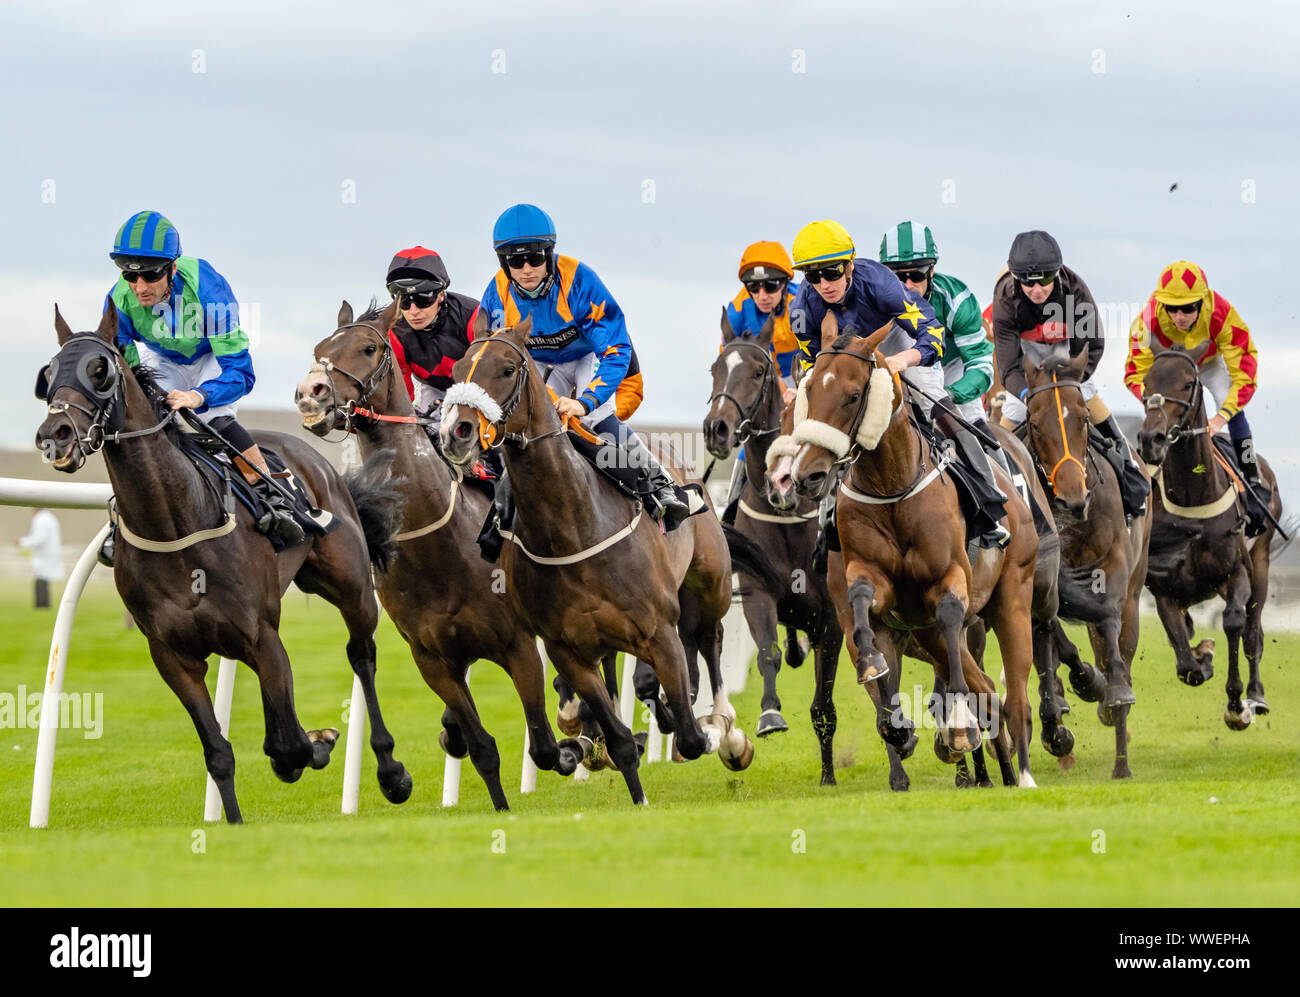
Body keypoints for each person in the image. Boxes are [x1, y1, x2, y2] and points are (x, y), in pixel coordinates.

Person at [790, 219, 1010, 548]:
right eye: (812, 276)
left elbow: (932, 335)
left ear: (849, 266)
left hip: (896, 339)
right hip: (846, 356)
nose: (824, 284)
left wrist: (900, 362)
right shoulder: (802, 306)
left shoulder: (881, 284)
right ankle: (827, 518)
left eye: (832, 272)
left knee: (932, 399)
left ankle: (989, 504)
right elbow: (810, 357)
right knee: (817, 409)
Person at [100, 210, 302, 566]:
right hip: (163, 361)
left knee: (211, 417)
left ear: (172, 269)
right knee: (146, 421)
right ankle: (123, 520)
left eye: (150, 274)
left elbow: (241, 374)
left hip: (212, 356)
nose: (140, 286)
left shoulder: (209, 289)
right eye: (130, 274)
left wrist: (200, 395)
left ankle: (275, 497)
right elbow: (130, 372)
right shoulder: (119, 301)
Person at [479, 203, 691, 527]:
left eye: (535, 257)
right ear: (503, 263)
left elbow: (617, 349)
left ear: (549, 253)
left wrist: (584, 401)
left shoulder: (580, 280)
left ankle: (659, 485)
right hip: (539, 361)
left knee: (593, 417)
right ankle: (502, 510)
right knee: (529, 417)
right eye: (515, 260)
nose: (526, 269)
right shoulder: (496, 294)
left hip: (588, 355)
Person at [991, 229, 1149, 518]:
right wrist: (1028, 395)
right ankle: (996, 492)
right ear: (1016, 279)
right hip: (1028, 361)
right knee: (1005, 431)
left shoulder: (1076, 291)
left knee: (1087, 399)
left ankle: (1129, 471)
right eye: (1027, 283)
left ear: (1058, 273)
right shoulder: (1004, 300)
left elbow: (1094, 346)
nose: (1037, 291)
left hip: (1067, 356)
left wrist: (1071, 382)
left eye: (1045, 282)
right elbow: (1008, 367)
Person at [1124, 260, 1269, 535]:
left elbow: (1244, 371)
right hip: (1169, 369)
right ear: (1160, 304)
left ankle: (1253, 480)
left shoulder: (1223, 313)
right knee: (1157, 413)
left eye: (1188, 308)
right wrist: (1154, 400)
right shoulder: (1146, 320)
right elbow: (1136, 371)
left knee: (1231, 402)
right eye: (1172, 308)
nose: (1179, 316)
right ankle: (1144, 479)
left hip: (1209, 363)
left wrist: (1220, 417)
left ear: (1202, 302)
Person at [878, 221, 1007, 472]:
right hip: (898, 372)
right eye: (897, 276)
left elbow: (980, 365)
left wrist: (951, 395)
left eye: (915, 275)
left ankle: (1003, 496)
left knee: (971, 420)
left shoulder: (958, 299)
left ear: (931, 271)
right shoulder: (874, 301)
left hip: (952, 372)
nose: (907, 285)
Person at [718, 240, 801, 526]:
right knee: (751, 435)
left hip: (802, 371)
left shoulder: (802, 300)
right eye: (754, 288)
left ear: (786, 283)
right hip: (764, 380)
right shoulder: (738, 309)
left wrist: (800, 387)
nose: (762, 295)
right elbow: (729, 364)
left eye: (771, 287)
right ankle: (731, 514)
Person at [384, 246, 482, 443]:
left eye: (422, 299)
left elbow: (492, 373)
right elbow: (402, 394)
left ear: (440, 295)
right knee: (426, 436)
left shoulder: (473, 314)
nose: (413, 311)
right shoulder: (393, 330)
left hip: (478, 388)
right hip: (435, 389)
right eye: (404, 301)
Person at [15, 508, 64, 608]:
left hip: (44, 555)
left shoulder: (41, 519)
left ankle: (41, 606)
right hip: (48, 554)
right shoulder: (50, 517)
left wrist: (21, 542)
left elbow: (38, 538)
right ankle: (44, 605)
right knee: (43, 579)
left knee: (41, 579)